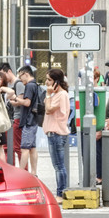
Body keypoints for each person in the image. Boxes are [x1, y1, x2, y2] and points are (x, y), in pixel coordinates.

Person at [43, 69, 70, 201]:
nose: (46, 82)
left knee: (59, 165)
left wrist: (48, 95)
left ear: (56, 82)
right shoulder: (56, 94)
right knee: (58, 165)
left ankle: (61, 193)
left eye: (49, 80)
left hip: (56, 133)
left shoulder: (61, 95)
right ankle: (61, 191)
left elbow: (48, 110)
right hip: (53, 132)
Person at [9, 65, 39, 175]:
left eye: (21, 76)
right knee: (32, 148)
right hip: (33, 120)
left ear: (26, 74)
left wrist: (15, 98)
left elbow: (27, 102)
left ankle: (22, 173)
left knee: (25, 148)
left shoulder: (30, 86)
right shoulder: (35, 84)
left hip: (28, 120)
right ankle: (34, 172)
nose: (20, 79)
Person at [0, 62, 26, 167]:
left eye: (3, 75)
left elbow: (22, 101)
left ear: (9, 71)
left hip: (17, 118)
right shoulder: (10, 85)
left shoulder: (18, 84)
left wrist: (12, 101)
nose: (2, 78)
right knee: (8, 148)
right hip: (9, 120)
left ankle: (23, 171)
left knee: (17, 147)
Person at [0, 71, 15, 160]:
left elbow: (11, 92)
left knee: (0, 148)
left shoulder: (3, 94)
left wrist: (1, 88)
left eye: (0, 79)